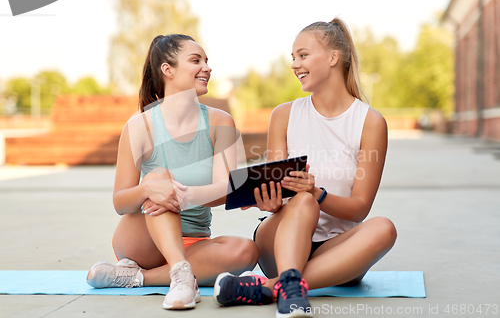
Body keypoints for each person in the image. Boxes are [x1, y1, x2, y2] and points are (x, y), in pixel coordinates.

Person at [213, 18, 397, 317]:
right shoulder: (284, 115)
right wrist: (273, 203)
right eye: (293, 57)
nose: (295, 64)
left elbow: (360, 208)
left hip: (335, 251)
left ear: (333, 58)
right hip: (280, 237)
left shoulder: (371, 123)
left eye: (303, 55)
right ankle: (287, 285)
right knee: (303, 202)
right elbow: (281, 193)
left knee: (384, 229)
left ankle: (272, 287)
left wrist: (318, 192)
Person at [86, 34, 259, 310]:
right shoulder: (138, 126)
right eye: (196, 60)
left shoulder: (220, 122)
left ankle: (139, 278)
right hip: (142, 241)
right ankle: (179, 274)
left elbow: (226, 188)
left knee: (248, 251)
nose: (207, 67)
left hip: (195, 240)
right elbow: (120, 202)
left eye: (206, 61)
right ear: (168, 69)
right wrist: (147, 189)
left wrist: (186, 196)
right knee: (158, 180)